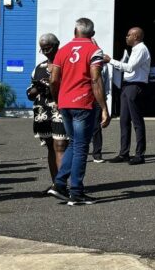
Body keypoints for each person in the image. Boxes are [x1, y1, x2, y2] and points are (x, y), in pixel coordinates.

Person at [49, 18, 110, 205]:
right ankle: (76, 192)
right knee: (82, 147)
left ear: (75, 31)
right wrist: (105, 108)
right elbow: (95, 80)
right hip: (83, 103)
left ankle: (59, 184)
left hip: (65, 102)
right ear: (92, 34)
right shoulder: (94, 51)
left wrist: (57, 98)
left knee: (74, 143)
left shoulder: (63, 50)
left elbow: (53, 79)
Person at [27, 34, 68, 194]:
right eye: (42, 49)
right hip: (43, 112)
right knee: (51, 147)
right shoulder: (39, 68)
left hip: (60, 110)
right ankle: (55, 184)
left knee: (60, 145)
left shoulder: (65, 65)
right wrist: (37, 89)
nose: (45, 52)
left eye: (48, 48)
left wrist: (54, 86)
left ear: (57, 45)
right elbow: (30, 93)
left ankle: (62, 184)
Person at [104, 27, 151, 165]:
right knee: (123, 120)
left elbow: (130, 68)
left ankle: (139, 154)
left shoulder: (141, 49)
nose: (126, 37)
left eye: (128, 35)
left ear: (136, 36)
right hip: (127, 85)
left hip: (135, 86)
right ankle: (124, 153)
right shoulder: (135, 50)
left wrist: (110, 61)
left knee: (137, 121)